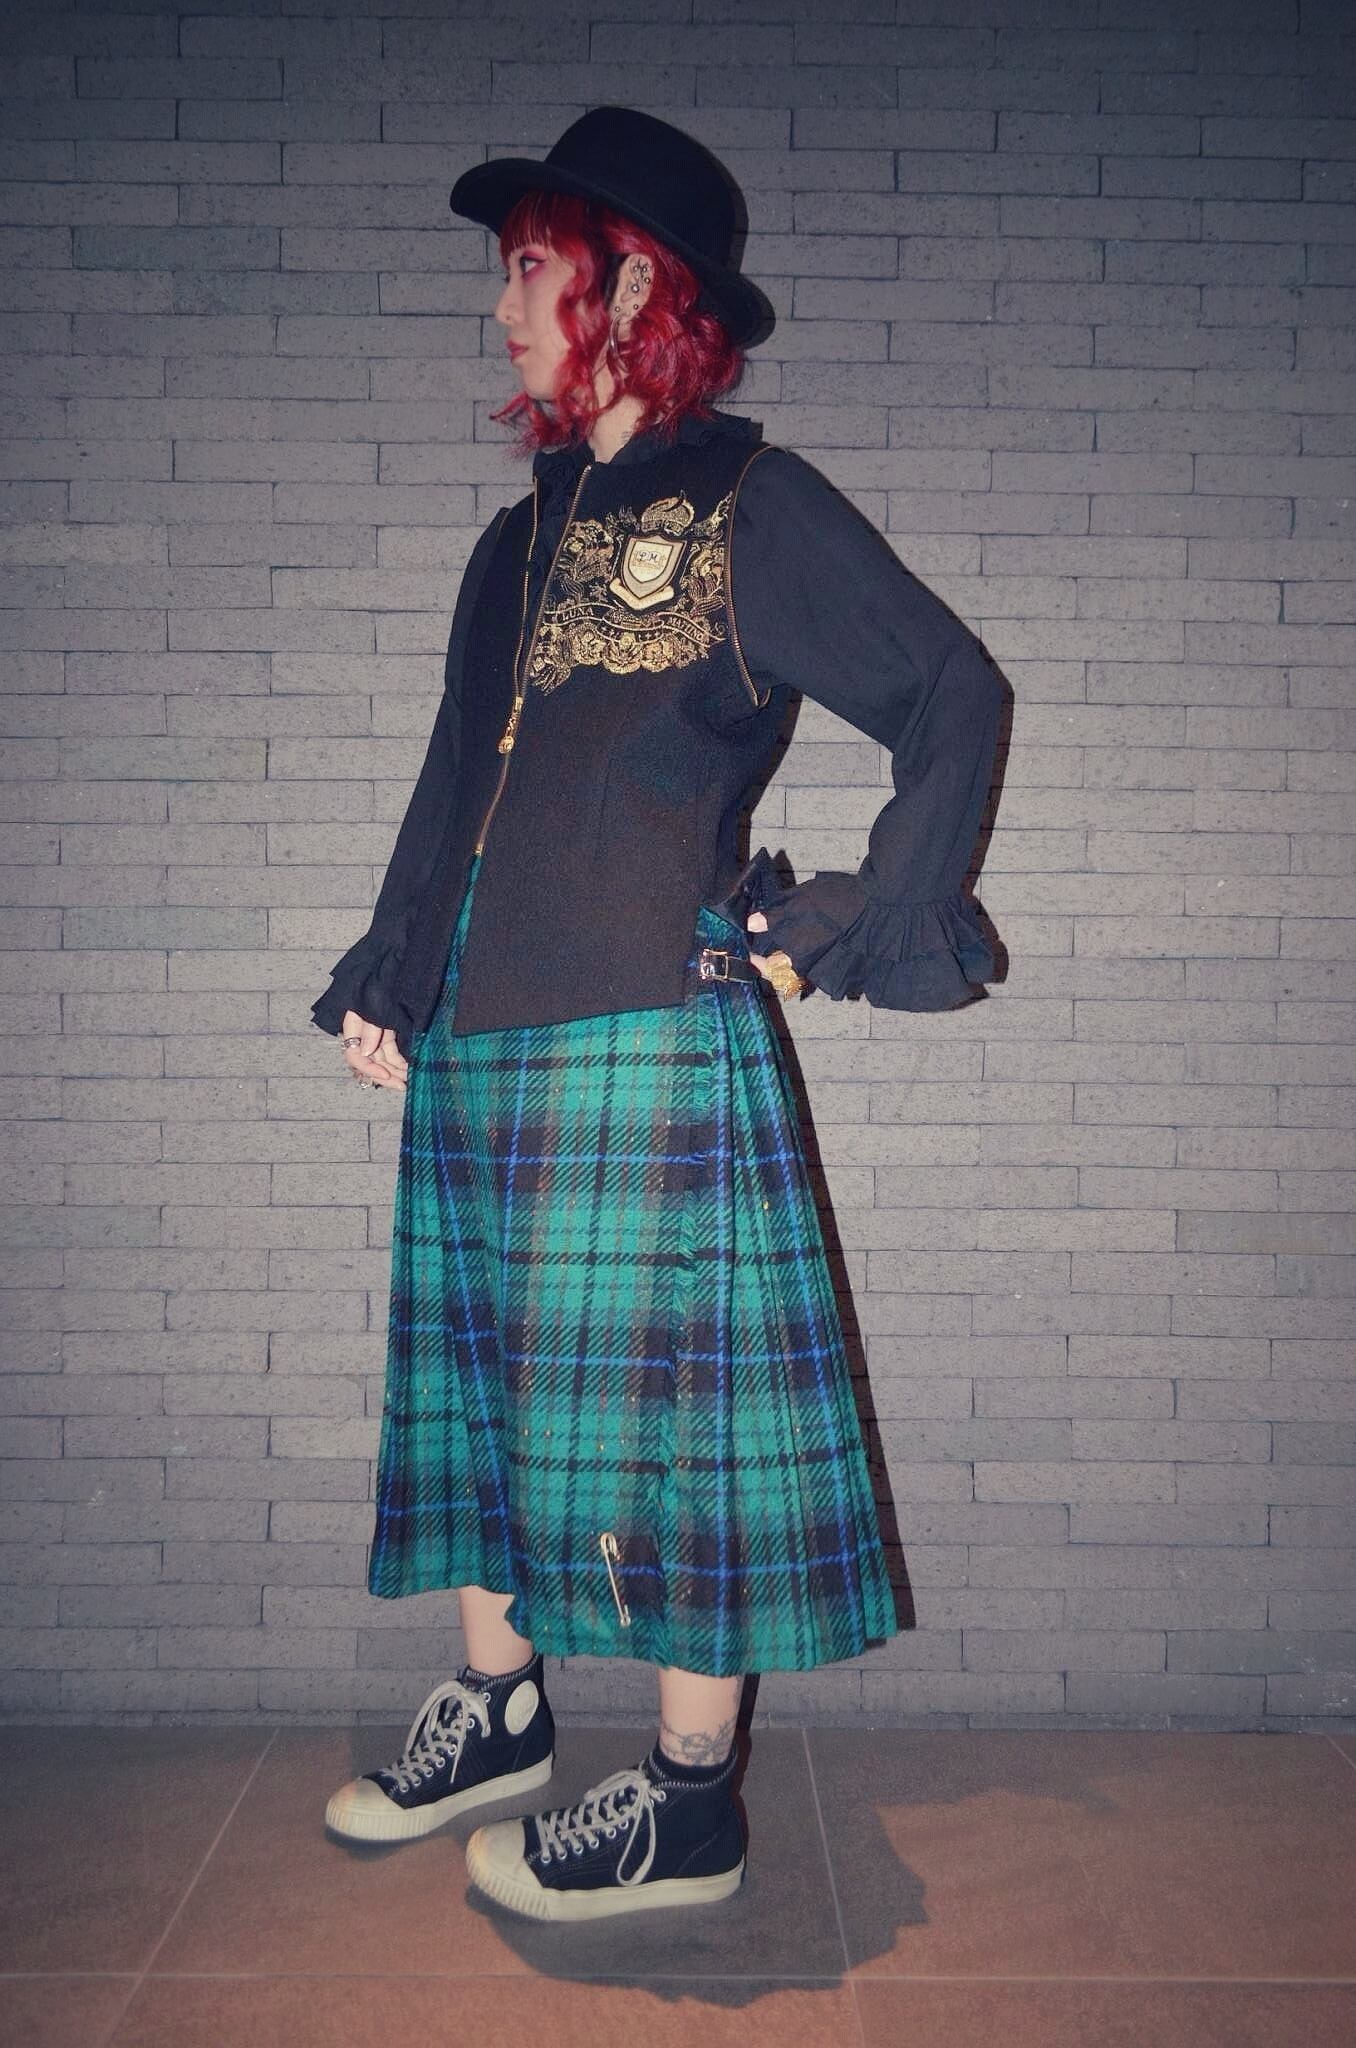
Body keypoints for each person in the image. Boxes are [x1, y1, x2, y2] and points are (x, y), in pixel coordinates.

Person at [317, 106, 1005, 1922]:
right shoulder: (513, 541)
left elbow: (952, 691)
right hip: (482, 1036)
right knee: (483, 1389)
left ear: (632, 289)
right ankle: (499, 1709)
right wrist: (395, 967)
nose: (501, 310)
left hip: (646, 1039)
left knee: (682, 1431)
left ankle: (692, 1803)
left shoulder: (747, 505)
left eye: (527, 270)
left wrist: (843, 920)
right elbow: (456, 778)